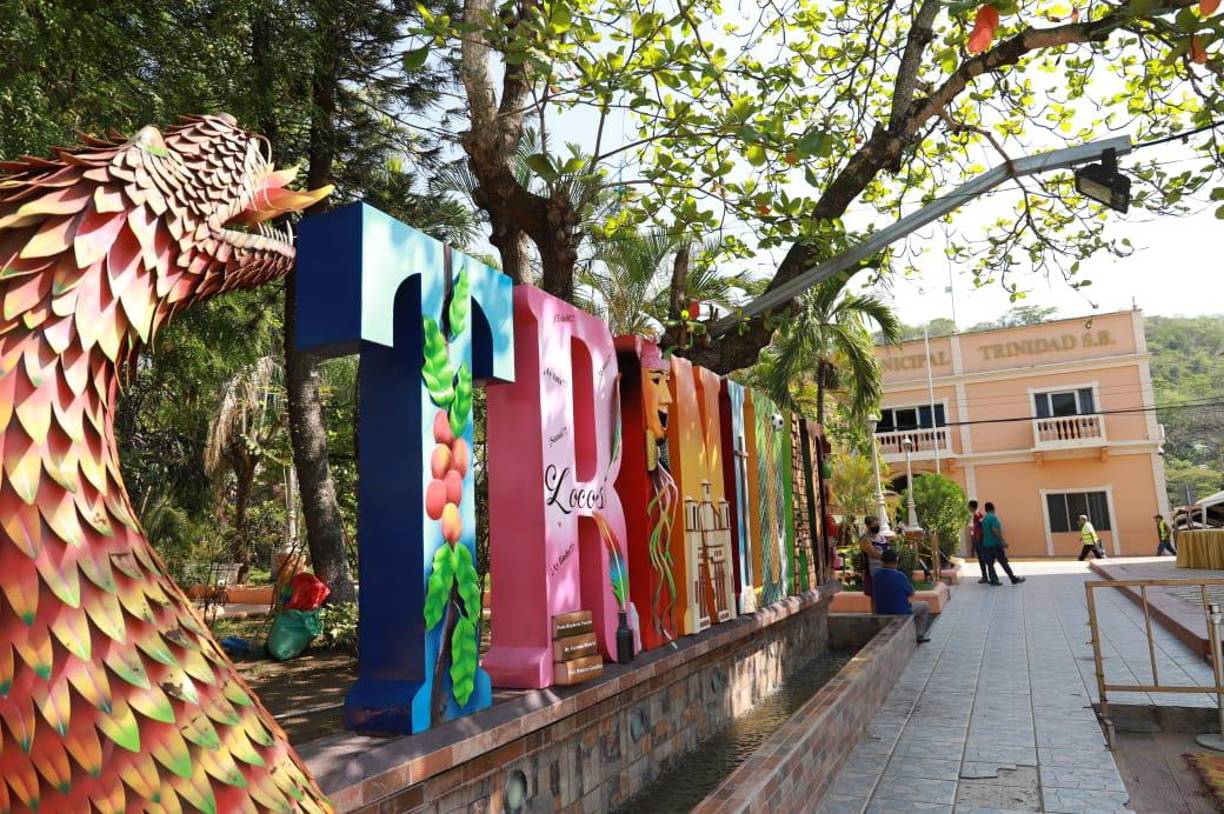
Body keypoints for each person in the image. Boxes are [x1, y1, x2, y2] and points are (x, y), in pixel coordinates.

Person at [873, 550, 932, 643]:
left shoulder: (876, 575)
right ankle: (919, 635)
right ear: (896, 561)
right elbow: (912, 593)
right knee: (924, 606)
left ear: (882, 561)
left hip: (881, 611)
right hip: (901, 612)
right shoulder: (900, 575)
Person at [981, 502, 1026, 586]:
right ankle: (1013, 579)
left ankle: (994, 580)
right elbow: (995, 530)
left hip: (986, 544)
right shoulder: (993, 518)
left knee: (990, 564)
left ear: (986, 509)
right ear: (993, 508)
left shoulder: (984, 519)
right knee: (1003, 562)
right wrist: (1002, 540)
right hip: (995, 544)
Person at [858, 515, 891, 608]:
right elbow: (873, 553)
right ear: (868, 526)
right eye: (874, 525)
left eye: (878, 524)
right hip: (873, 571)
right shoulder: (865, 539)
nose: (877, 526)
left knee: (884, 594)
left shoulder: (881, 537)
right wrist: (888, 558)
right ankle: (875, 617)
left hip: (885, 570)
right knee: (875, 595)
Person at [968, 499, 988, 584]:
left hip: (979, 540)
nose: (969, 509)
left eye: (969, 507)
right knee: (981, 559)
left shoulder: (977, 514)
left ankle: (985, 577)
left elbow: (982, 524)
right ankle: (985, 576)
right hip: (978, 539)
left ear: (971, 507)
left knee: (982, 559)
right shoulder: (976, 514)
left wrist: (979, 537)